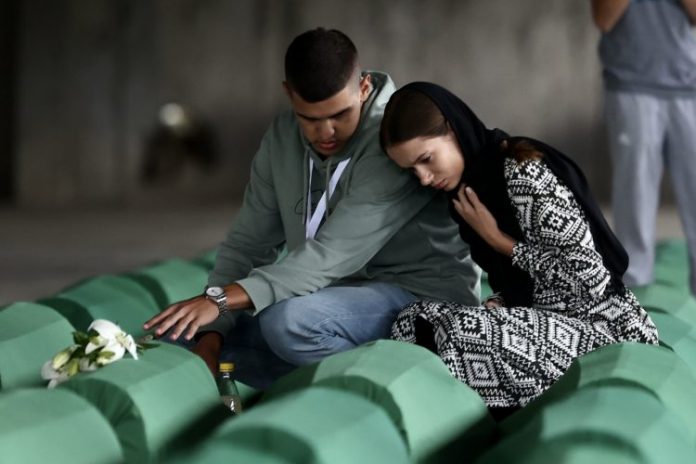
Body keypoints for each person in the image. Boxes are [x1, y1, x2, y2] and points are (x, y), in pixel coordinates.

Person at [143, 29, 480, 389]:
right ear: (288, 94)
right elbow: (247, 245)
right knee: (177, 337)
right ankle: (302, 386)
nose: (326, 132)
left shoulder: (392, 139)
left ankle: (411, 390)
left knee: (290, 323)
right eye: (310, 118)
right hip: (330, 301)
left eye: (340, 114)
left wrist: (222, 300)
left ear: (363, 87)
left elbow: (331, 255)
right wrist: (212, 333)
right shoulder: (281, 139)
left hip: (420, 298)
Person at [379, 82, 658, 410]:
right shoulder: (470, 191)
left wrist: (502, 242)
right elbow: (521, 285)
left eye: (426, 159)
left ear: (453, 129)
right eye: (412, 170)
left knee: (462, 331)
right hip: (543, 322)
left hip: (604, 330)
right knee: (412, 319)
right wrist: (499, 302)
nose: (424, 178)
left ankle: (486, 420)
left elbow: (590, 281)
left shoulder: (521, 172)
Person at [591, 0, 696, 294]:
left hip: (686, 81)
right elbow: (604, 19)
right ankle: (635, 290)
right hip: (631, 83)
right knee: (635, 192)